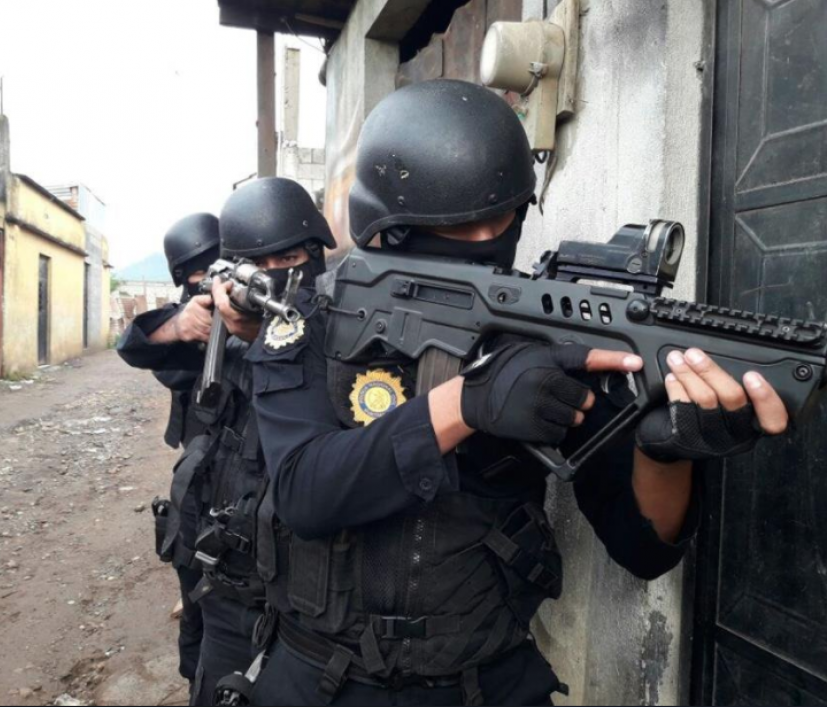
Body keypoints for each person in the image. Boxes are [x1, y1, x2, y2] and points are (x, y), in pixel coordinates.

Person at [243, 80, 790, 706]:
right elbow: (305, 493)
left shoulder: (547, 335)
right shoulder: (311, 321)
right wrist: (467, 403)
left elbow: (643, 550)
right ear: (388, 226)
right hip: (316, 679)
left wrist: (667, 452)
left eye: (499, 217)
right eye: (455, 224)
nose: (483, 238)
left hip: (487, 683)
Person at [119, 179, 335, 706]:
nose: (274, 274)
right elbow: (137, 346)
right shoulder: (225, 322)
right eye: (259, 263)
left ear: (315, 253)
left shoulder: (337, 322)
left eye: (289, 258)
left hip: (305, 582)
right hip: (226, 568)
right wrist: (185, 324)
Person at [117, 212, 221, 698]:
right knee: (196, 569)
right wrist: (184, 327)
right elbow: (138, 347)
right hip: (202, 459)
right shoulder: (190, 314)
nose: (212, 277)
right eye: (201, 271)